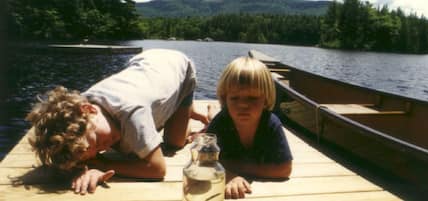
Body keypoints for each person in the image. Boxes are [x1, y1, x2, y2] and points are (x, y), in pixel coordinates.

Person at [26, 49, 209, 195]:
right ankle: (180, 113)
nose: (102, 149)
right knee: (132, 146)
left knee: (174, 142)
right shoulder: (79, 110)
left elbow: (157, 169)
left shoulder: (132, 111)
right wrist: (80, 165)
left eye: (97, 142)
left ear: (89, 109)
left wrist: (103, 165)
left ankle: (184, 109)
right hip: (147, 68)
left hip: (179, 68)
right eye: (96, 152)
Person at [205, 56, 293, 199]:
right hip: (218, 119)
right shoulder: (222, 120)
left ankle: (210, 112)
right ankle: (211, 111)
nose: (243, 105)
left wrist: (237, 168)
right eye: (234, 98)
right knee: (209, 124)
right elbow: (204, 160)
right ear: (225, 98)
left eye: (252, 98)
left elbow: (284, 169)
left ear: (265, 99)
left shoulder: (271, 123)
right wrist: (231, 176)